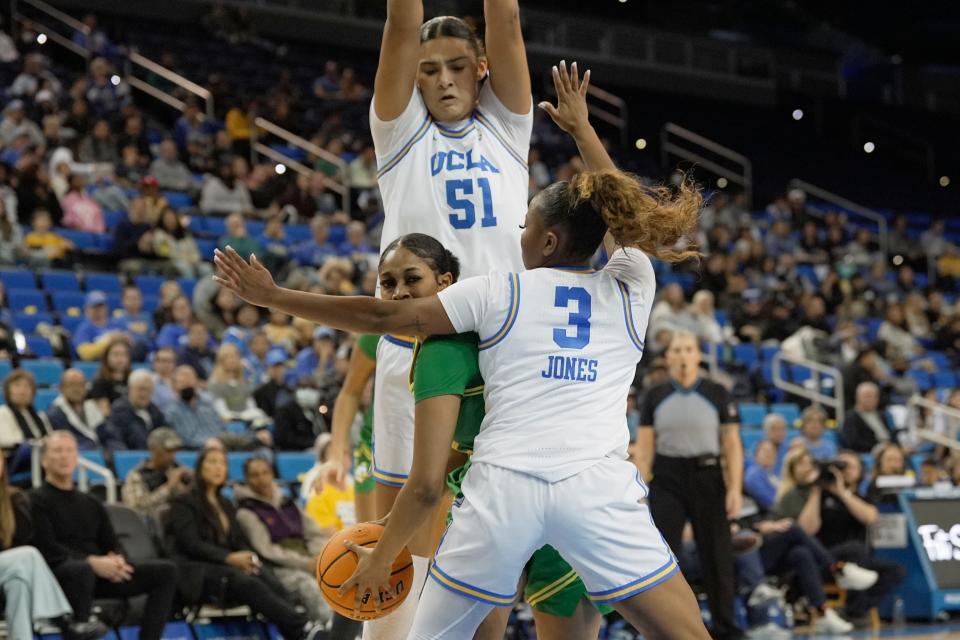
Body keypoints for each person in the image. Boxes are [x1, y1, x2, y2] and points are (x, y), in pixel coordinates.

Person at [213, 59, 711, 639]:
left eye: (524, 225)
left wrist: (274, 297)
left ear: (547, 242)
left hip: (503, 489)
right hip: (596, 486)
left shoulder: (499, 290)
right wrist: (582, 130)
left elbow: (380, 314)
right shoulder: (633, 287)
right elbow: (623, 219)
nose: (514, 234)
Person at [350, 3, 536, 635]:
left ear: (482, 69)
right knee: (399, 526)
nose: (446, 80)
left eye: (460, 66)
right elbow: (403, 22)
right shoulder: (398, 134)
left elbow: (505, 19)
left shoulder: (509, 129)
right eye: (429, 71)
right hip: (417, 344)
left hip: (501, 351)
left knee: (488, 533)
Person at [636, 331, 744, 640]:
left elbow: (732, 445)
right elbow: (645, 448)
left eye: (688, 349)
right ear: (668, 357)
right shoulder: (654, 395)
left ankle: (726, 628)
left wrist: (734, 488)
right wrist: (642, 489)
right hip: (668, 477)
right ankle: (662, 627)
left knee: (718, 556)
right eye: (677, 350)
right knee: (664, 554)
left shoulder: (717, 392)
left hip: (708, 476)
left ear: (698, 355)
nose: (683, 355)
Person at [165, 448, 326, 639]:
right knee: (246, 582)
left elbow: (239, 541)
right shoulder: (184, 502)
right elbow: (190, 544)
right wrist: (229, 557)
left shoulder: (225, 503)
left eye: (222, 463)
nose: (218, 468)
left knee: (265, 574)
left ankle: (298, 632)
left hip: (226, 567)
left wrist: (249, 558)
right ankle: (304, 628)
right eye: (212, 462)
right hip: (197, 570)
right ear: (200, 468)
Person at [31, 431, 178, 640]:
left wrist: (116, 561)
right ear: (44, 460)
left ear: (76, 458)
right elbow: (46, 549)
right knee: (81, 570)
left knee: (166, 571)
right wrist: (91, 562)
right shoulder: (35, 500)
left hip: (99, 574)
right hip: (60, 575)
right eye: (57, 451)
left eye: (69, 451)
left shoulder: (91, 502)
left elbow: (111, 542)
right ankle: (79, 628)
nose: (64, 456)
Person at [773, 448, 906, 627]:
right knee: (855, 549)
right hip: (823, 562)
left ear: (860, 472)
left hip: (859, 566)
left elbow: (871, 517)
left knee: (895, 570)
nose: (846, 471)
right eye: (841, 466)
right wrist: (817, 491)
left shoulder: (860, 496)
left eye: (851, 467)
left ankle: (854, 611)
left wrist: (843, 493)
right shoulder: (818, 495)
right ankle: (847, 591)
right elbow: (806, 529)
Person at [0, 451, 108, 640]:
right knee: (28, 555)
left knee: (18, 583)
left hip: (6, 570)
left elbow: (19, 540)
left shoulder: (11, 500)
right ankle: (64, 620)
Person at [235, 457, 332, 625]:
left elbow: (314, 532)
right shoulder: (246, 512)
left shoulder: (288, 503)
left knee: (339, 577)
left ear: (272, 474)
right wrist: (306, 563)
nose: (261, 479)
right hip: (278, 569)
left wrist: (320, 557)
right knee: (308, 585)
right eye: (255, 475)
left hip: (309, 559)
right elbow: (267, 550)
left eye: (265, 472)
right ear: (247, 479)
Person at [326, 334, 379, 527]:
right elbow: (350, 391)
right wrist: (336, 455)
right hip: (375, 445)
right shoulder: (379, 329)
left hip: (437, 445)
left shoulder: (453, 323)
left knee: (433, 549)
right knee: (370, 536)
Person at [122, 427, 191, 519]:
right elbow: (137, 508)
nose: (172, 456)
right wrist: (168, 487)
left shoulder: (175, 469)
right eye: (168, 451)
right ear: (154, 450)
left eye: (174, 451)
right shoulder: (137, 475)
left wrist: (192, 483)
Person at [97, 370, 169, 451]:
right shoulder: (120, 410)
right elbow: (136, 438)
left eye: (148, 390)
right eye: (141, 389)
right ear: (130, 389)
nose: (144, 394)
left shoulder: (154, 411)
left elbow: (166, 434)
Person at [207, 343, 270, 429]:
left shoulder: (243, 381)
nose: (232, 360)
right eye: (228, 357)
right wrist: (241, 417)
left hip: (246, 418)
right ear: (221, 360)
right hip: (228, 422)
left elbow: (250, 405)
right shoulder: (215, 383)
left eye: (235, 356)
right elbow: (222, 412)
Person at [47, 368, 104, 450]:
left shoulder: (91, 406)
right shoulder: (55, 413)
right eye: (71, 384)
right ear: (62, 388)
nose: (76, 389)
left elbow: (107, 434)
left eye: (80, 384)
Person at [0, 369, 53, 448]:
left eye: (27, 386)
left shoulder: (40, 415)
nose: (22, 391)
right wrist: (36, 443)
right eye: (17, 385)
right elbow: (5, 441)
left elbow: (51, 439)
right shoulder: (3, 412)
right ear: (8, 391)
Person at [841, 382, 899, 453]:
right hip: (869, 452)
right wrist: (878, 447)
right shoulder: (851, 417)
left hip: (889, 448)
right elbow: (851, 442)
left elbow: (893, 435)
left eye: (873, 396)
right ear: (857, 397)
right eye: (867, 396)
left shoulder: (882, 415)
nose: (870, 399)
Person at [273, 377, 328, 451]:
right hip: (292, 452)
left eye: (312, 389)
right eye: (304, 388)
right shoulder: (285, 411)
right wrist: (313, 443)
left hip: (317, 449)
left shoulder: (319, 411)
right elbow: (285, 439)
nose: (308, 392)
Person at [72, 292, 124, 362]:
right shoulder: (84, 328)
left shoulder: (116, 325)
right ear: (87, 309)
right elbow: (85, 353)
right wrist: (109, 340)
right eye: (94, 307)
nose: (98, 310)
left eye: (100, 306)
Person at [88, 338, 132, 416]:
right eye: (116, 354)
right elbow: (105, 413)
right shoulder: (100, 381)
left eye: (123, 354)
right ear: (107, 357)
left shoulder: (132, 379)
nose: (120, 359)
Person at [110, 285, 155, 360]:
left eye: (137, 298)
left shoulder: (147, 318)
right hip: (127, 352)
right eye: (130, 298)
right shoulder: (117, 320)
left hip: (146, 353)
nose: (133, 301)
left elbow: (153, 337)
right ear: (122, 301)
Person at [253, 348, 293, 417]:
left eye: (280, 366)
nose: (278, 370)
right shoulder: (261, 391)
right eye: (274, 366)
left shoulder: (290, 390)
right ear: (268, 368)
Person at [744, 440, 780, 512]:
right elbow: (770, 503)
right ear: (756, 454)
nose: (769, 454)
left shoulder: (773, 474)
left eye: (772, 452)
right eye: (765, 451)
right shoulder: (754, 474)